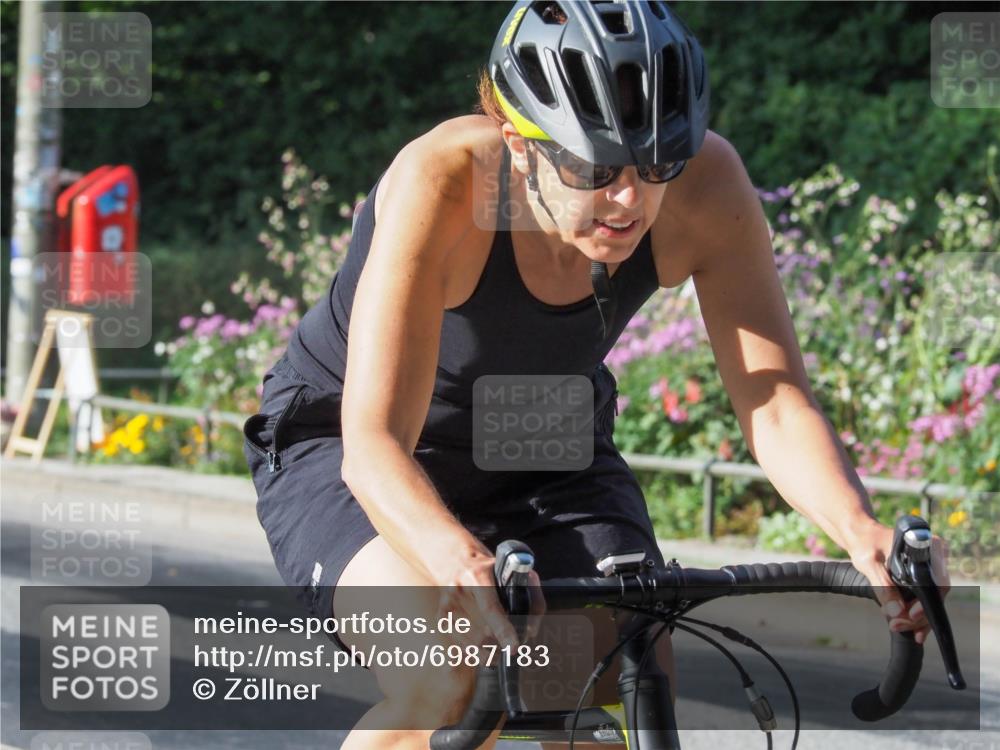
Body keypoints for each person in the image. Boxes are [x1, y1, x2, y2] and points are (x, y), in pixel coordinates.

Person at [243, 1, 950, 748]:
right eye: (595, 167)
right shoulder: (445, 182)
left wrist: (859, 529)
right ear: (520, 146)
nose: (630, 199)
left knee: (623, 669)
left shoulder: (708, 189)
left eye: (657, 163)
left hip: (546, 436)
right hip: (349, 444)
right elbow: (374, 443)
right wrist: (456, 557)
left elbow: (772, 401)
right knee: (451, 674)